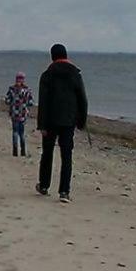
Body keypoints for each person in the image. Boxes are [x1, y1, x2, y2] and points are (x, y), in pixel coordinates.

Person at [36, 43, 88, 203]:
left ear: (52, 56)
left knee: (47, 153)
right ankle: (64, 191)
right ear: (66, 55)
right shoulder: (75, 74)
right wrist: (82, 121)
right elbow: (82, 99)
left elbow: (42, 102)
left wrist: (42, 125)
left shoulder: (47, 74)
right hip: (68, 120)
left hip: (50, 120)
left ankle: (44, 185)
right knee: (66, 155)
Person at [5, 71, 34, 157]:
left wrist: (12, 103)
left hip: (14, 113)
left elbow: (7, 101)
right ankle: (23, 151)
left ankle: (15, 150)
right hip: (23, 113)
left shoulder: (12, 89)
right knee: (22, 132)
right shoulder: (27, 90)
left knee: (15, 131)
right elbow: (31, 102)